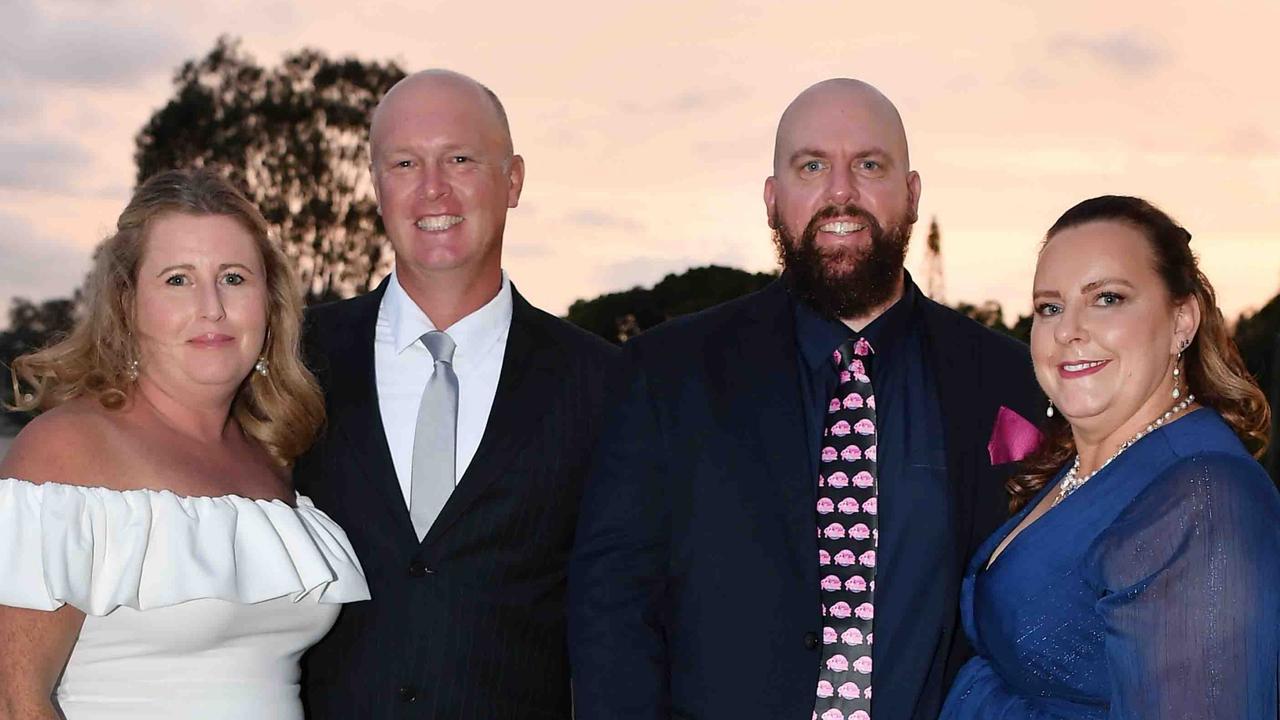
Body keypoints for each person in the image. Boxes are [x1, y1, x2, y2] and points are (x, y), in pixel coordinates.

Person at [568, 78, 1044, 720]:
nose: (841, 191)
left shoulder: (1010, 380)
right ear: (772, 199)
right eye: (812, 165)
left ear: (911, 193)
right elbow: (611, 611)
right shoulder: (666, 375)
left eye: (869, 165)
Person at [294, 69, 618, 719]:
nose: (433, 188)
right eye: (406, 162)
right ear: (377, 185)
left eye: (461, 159)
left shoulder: (603, 383)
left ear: (514, 180)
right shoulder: (293, 359)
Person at [0, 168, 369, 720]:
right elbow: (15, 700)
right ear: (127, 305)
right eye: (177, 279)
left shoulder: (271, 457)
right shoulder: (66, 452)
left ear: (269, 304)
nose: (212, 307)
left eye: (235, 278)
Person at [940, 195, 1279, 719]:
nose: (1069, 329)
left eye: (1108, 299)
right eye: (1050, 307)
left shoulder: (1204, 501)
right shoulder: (1080, 465)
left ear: (1182, 320)